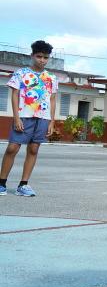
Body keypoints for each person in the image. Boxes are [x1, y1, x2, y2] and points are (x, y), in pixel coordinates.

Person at [0, 40, 57, 197]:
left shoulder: (51, 77)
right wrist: (16, 117)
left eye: (45, 57)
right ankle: (1, 183)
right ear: (32, 56)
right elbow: (14, 95)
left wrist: (52, 121)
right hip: (24, 116)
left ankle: (23, 185)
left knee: (33, 149)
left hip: (43, 118)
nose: (42, 60)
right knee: (13, 148)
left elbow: (52, 100)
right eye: (39, 56)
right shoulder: (21, 73)